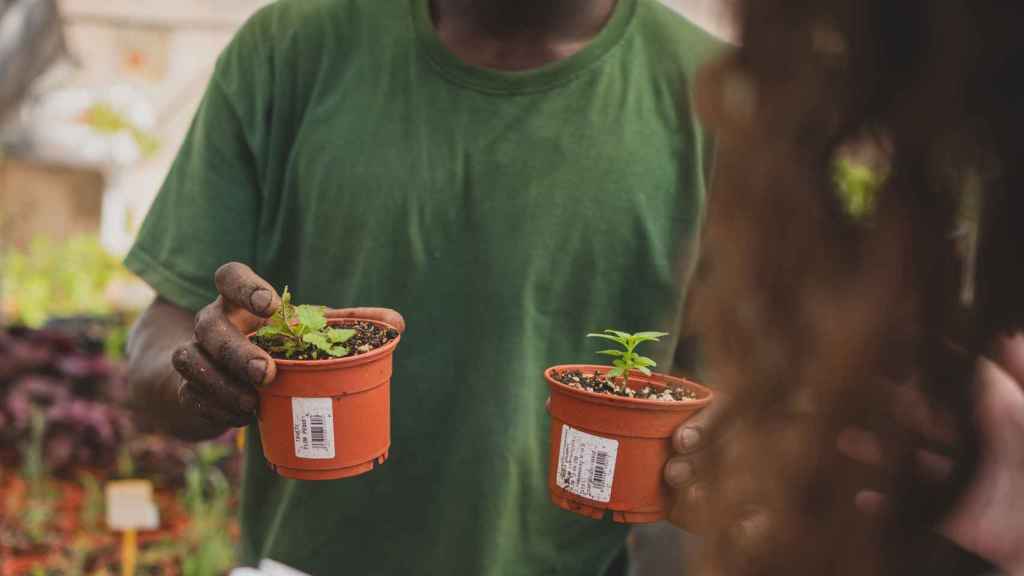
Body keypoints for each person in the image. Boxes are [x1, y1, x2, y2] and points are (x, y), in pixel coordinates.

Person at [123, 0, 724, 574]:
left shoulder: (720, 101)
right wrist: (203, 373)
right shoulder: (291, 49)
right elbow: (161, 336)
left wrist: (726, 467)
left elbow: (736, 413)